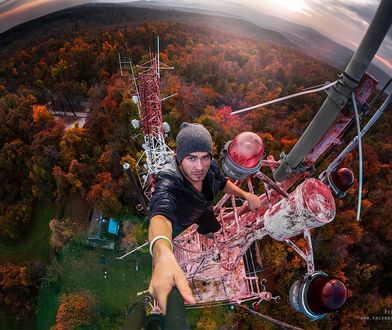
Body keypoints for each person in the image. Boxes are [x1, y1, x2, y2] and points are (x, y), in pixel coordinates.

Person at [148, 123, 261, 314]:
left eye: (204, 157)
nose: (199, 166)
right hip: (179, 222)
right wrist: (163, 252)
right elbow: (160, 214)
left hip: (202, 210)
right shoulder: (169, 181)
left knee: (213, 228)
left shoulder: (211, 167)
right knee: (172, 240)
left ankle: (206, 233)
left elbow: (223, 183)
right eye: (191, 158)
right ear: (179, 158)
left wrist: (246, 195)